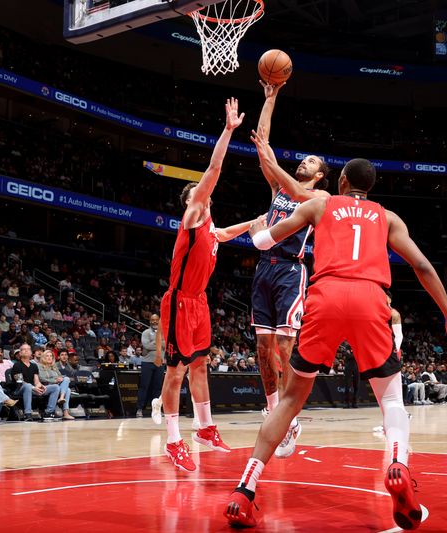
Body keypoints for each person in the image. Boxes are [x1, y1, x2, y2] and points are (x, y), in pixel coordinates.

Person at [224, 156, 447, 529]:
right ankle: (398, 465)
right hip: (371, 299)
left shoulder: (320, 203)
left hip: (326, 296)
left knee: (290, 400)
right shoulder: (387, 217)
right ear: (369, 187)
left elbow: (262, 242)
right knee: (390, 399)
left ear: (340, 181)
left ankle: (245, 490)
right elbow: (422, 266)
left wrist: (259, 227)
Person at [155, 98, 259, 472]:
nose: (207, 190)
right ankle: (172, 439)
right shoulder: (193, 215)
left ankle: (205, 428)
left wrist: (255, 222)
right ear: (194, 198)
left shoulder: (211, 227)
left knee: (200, 367)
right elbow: (214, 169)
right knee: (176, 372)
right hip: (179, 303)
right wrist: (228, 130)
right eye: (201, 189)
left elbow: (226, 233)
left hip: (199, 303)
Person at [251, 83, 331, 456]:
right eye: (304, 159)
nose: (304, 162)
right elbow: (263, 141)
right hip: (263, 270)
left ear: (320, 175)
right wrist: (271, 98)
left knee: (284, 348)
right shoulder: (278, 191)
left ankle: (287, 417)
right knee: (262, 348)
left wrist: (270, 158)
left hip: (289, 272)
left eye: (312, 162)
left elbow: (285, 178)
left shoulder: (319, 198)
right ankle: (276, 416)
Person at [11, 344, 60, 421]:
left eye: (28, 349)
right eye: (24, 349)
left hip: (33, 389)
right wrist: (33, 387)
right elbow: (20, 382)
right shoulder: (17, 365)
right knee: (27, 386)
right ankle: (28, 414)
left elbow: (36, 381)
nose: (26, 350)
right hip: (19, 389)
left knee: (55, 387)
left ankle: (49, 412)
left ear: (31, 353)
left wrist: (40, 386)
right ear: (20, 353)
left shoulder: (34, 366)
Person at [136, 314, 164, 419]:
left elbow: (166, 345)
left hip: (160, 363)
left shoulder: (163, 333)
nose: (154, 322)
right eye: (152, 320)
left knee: (158, 387)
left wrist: (156, 343)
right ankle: (140, 409)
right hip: (147, 363)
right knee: (144, 386)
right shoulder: (145, 333)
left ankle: (157, 410)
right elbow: (146, 345)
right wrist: (159, 343)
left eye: (156, 320)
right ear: (150, 321)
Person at [37, 350, 74, 420]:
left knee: (66, 379)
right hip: (45, 386)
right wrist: (55, 380)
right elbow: (42, 379)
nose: (49, 358)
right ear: (43, 357)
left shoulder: (53, 366)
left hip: (56, 386)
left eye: (51, 356)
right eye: (47, 356)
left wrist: (61, 378)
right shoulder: (39, 366)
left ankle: (64, 409)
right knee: (66, 389)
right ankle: (59, 410)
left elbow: (60, 376)